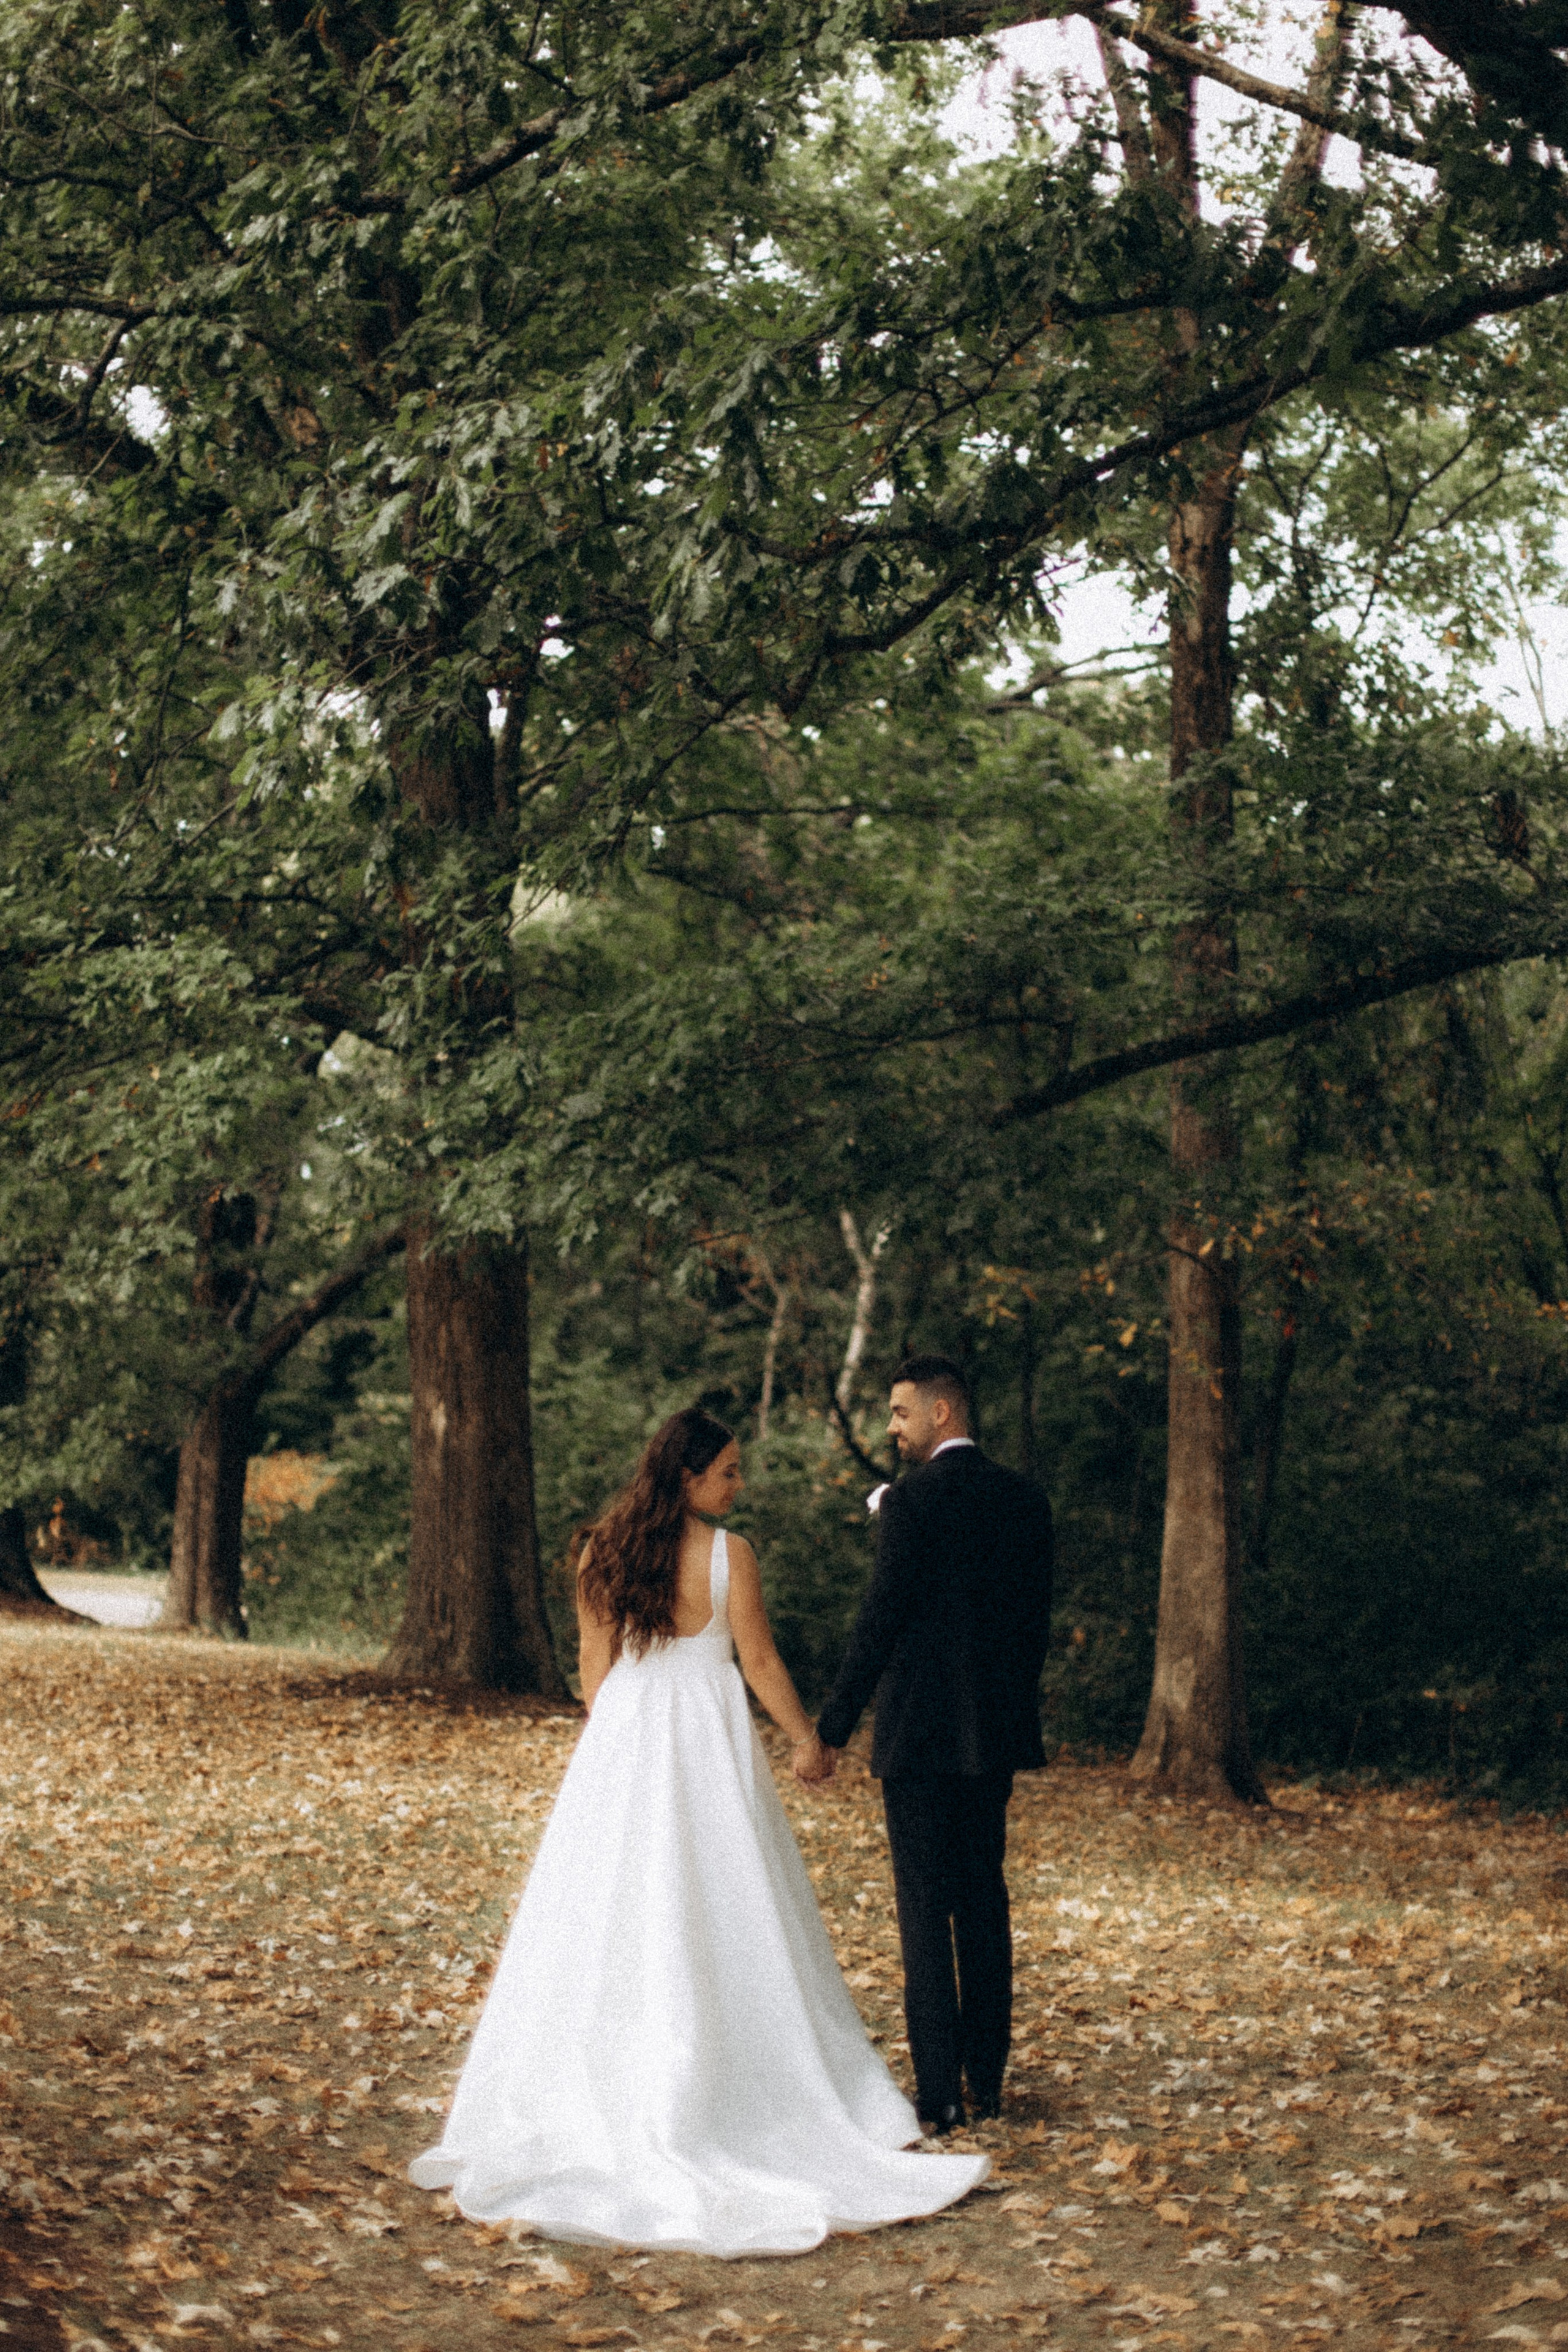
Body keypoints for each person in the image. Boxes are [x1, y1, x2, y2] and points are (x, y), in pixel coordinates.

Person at [409, 1404, 987, 2256]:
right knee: (725, 1899)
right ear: (687, 1475)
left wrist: (619, 1743)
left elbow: (594, 1673)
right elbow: (757, 1662)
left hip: (627, 1733)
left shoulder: (600, 1551)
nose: (738, 1483)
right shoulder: (730, 1556)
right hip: (707, 1740)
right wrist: (805, 1742)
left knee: (618, 1904)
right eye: (727, 1472)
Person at [815, 1355, 1053, 2138]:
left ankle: (940, 2094)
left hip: (918, 1733)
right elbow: (1032, 1624)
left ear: (942, 1413)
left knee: (923, 1908)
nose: (891, 1427)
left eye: (899, 1412)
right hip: (993, 1735)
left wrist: (832, 1729)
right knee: (983, 1897)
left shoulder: (910, 1504)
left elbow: (880, 1620)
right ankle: (988, 2080)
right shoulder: (1025, 1500)